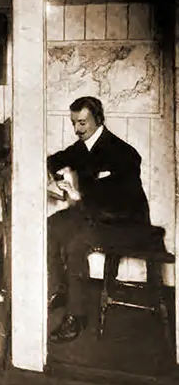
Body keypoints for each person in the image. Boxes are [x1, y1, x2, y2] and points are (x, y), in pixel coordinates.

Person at [47, 96, 150, 343]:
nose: (77, 129)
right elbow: (54, 160)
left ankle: (75, 317)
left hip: (123, 221)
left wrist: (78, 194)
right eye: (74, 123)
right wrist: (55, 179)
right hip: (93, 214)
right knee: (50, 227)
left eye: (82, 123)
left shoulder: (125, 154)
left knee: (75, 245)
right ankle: (65, 290)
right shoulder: (82, 147)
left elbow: (119, 198)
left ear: (98, 119)